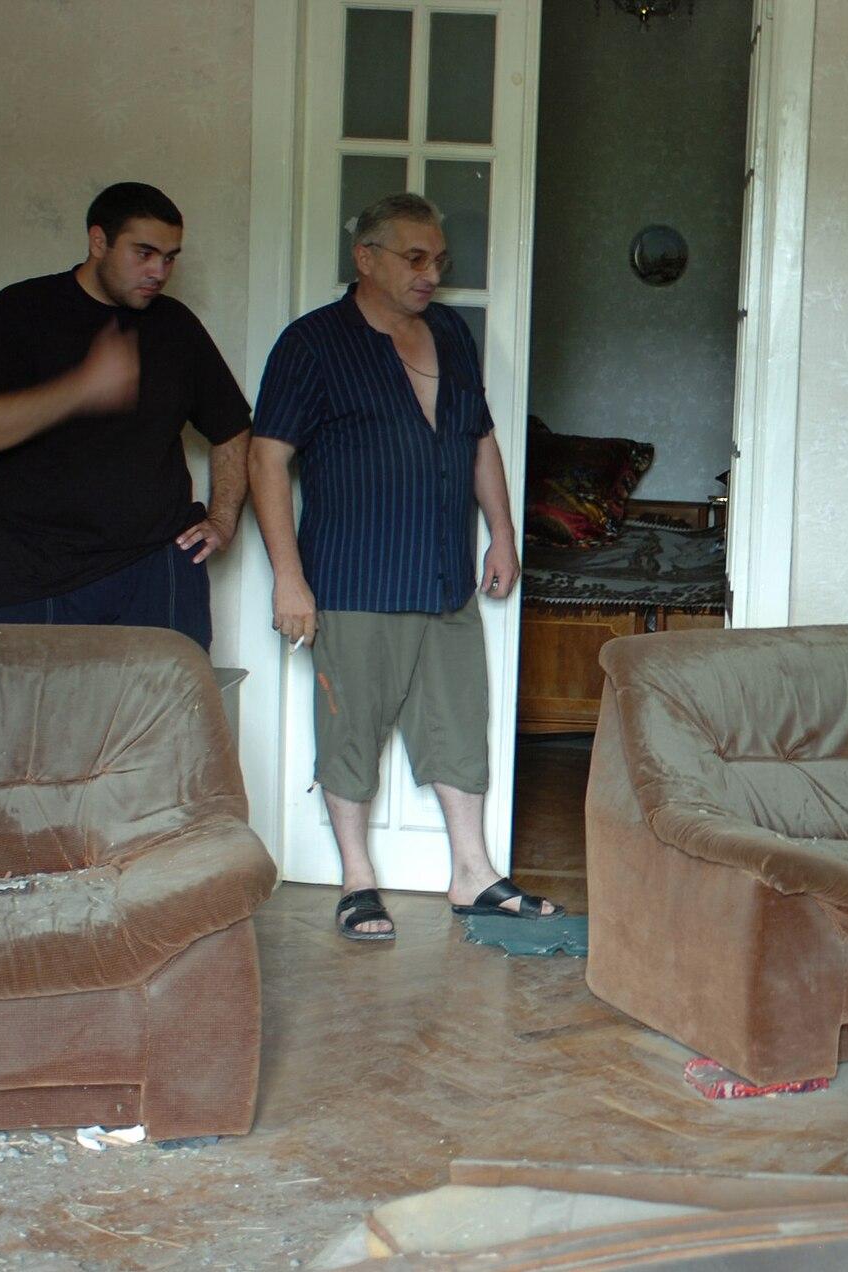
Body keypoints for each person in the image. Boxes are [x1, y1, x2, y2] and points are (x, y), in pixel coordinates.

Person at [249, 192, 554, 941]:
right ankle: (357, 882)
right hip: (355, 575)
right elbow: (266, 458)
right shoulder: (311, 343)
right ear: (366, 257)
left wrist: (503, 533)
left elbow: (478, 436)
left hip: (445, 574)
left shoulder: (449, 331)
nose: (431, 274)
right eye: (415, 258)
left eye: (439, 260)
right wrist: (288, 576)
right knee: (351, 732)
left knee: (459, 726)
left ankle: (473, 874)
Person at [0, 182, 251, 649]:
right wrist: (80, 388)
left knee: (169, 700)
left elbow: (232, 428)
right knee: (18, 699)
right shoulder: (22, 310)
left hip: (155, 567)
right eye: (144, 253)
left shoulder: (175, 326)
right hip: (33, 570)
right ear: (98, 241)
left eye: (170, 258)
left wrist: (222, 520)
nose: (158, 271)